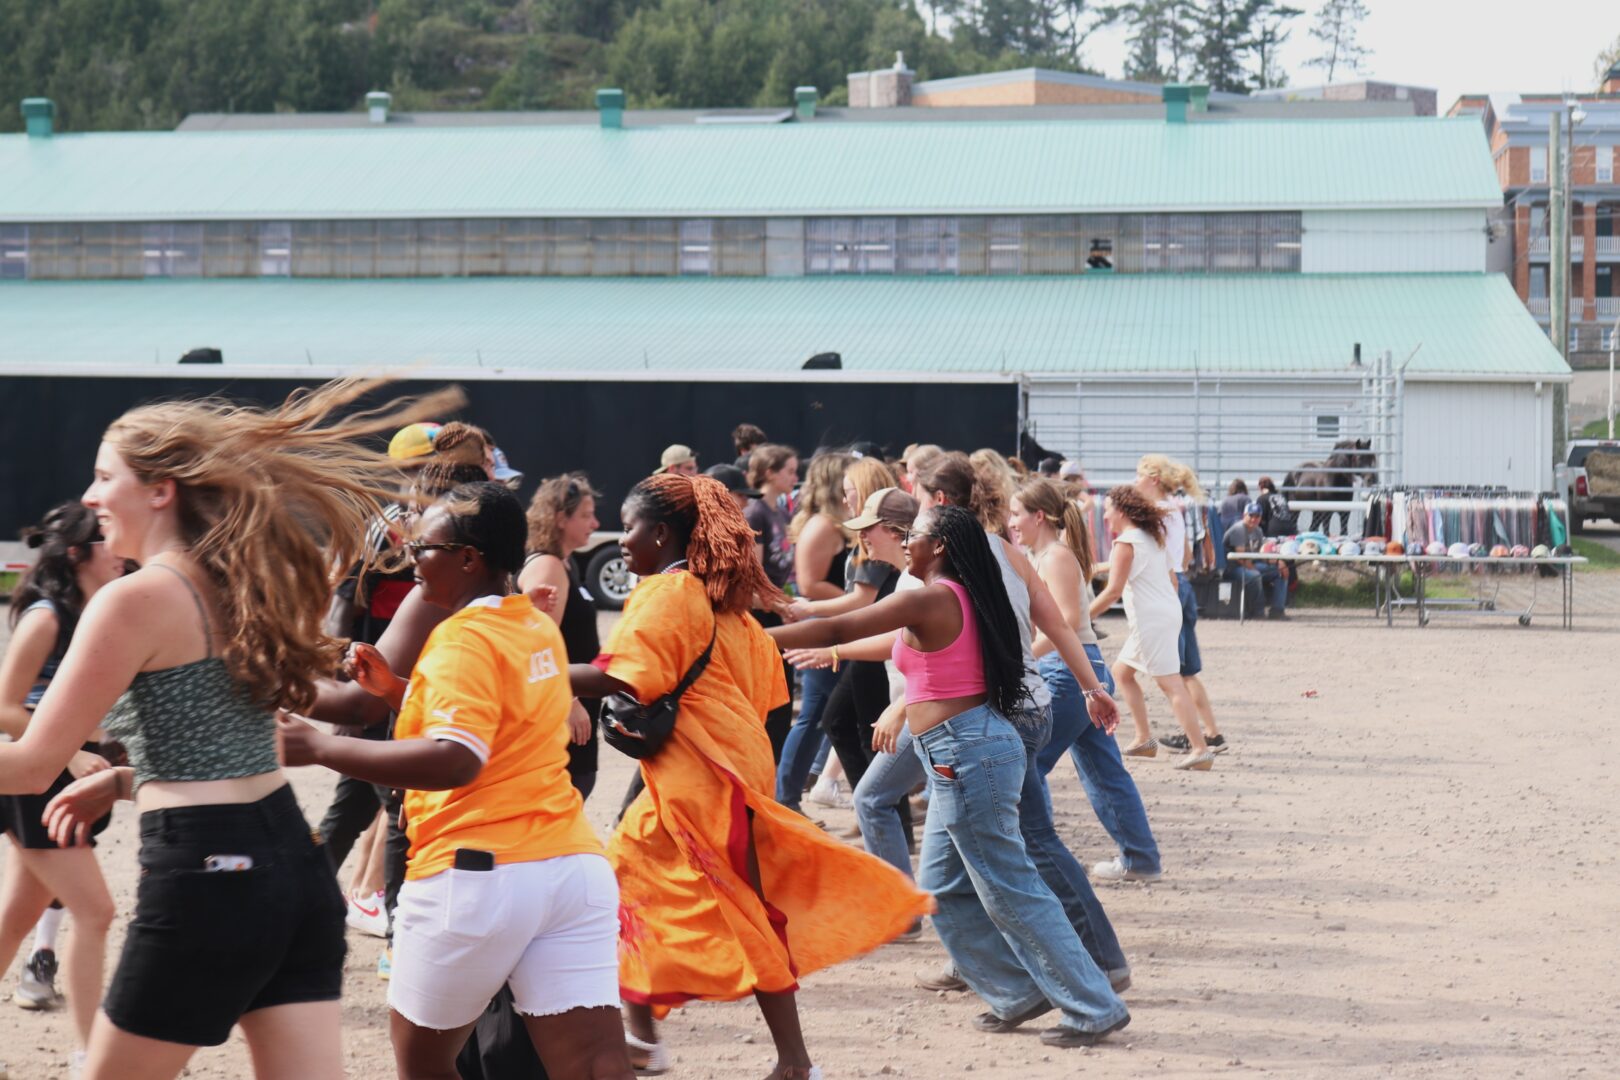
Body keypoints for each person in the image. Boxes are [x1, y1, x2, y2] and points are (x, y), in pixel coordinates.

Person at [10, 377, 460, 1080]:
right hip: (296, 870)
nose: (91, 497)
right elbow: (222, 737)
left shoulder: (133, 599)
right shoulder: (231, 584)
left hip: (209, 875)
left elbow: (35, 765)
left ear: (162, 490)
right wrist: (128, 780)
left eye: (104, 477)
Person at [567, 473, 931, 1080]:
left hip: (706, 777)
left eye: (629, 527)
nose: (621, 540)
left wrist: (529, 671)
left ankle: (794, 1061)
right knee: (630, 882)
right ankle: (644, 1032)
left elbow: (624, 675)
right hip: (720, 764)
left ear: (659, 533)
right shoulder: (714, 600)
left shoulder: (670, 592)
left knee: (741, 908)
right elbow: (761, 685)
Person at [279, 482, 634, 1080]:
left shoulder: (458, 639)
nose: (412, 558)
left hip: (476, 879)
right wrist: (397, 692)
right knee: (597, 1064)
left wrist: (319, 749)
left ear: (468, 558)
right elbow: (502, 715)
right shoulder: (533, 623)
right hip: (571, 870)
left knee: (425, 1065)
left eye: (424, 546)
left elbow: (457, 759)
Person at [768, 505, 1130, 1049]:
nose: (905, 543)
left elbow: (839, 621)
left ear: (938, 547)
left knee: (1011, 886)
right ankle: (1014, 992)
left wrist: (748, 634)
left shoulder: (930, 596)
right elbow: (891, 653)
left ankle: (1092, 1005)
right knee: (942, 886)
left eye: (914, 536)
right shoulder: (964, 596)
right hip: (965, 748)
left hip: (967, 752)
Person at [303, 458, 489, 981]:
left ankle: (387, 932)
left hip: (414, 719)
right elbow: (346, 633)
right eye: (407, 510)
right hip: (392, 702)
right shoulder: (502, 603)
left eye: (417, 514)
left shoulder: (442, 594)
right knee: (367, 813)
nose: (407, 530)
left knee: (390, 819)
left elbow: (366, 703)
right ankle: (359, 922)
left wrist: (283, 686)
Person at [0, 504, 123, 1067]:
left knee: (16, 919)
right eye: (107, 539)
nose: (120, 548)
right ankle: (89, 1057)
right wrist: (71, 752)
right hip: (37, 778)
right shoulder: (46, 616)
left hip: (70, 774)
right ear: (77, 553)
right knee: (95, 912)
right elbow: (5, 708)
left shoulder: (103, 611)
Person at [1009, 479, 1163, 885]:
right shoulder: (1043, 555)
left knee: (1027, 765)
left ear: (1038, 516)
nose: (1011, 522)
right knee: (1103, 769)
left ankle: (1038, 860)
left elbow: (1069, 622)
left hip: (1069, 671)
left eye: (1016, 513)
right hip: (1079, 669)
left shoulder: (1055, 557)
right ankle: (1141, 858)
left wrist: (1020, 656)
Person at [1088, 485, 1214, 770]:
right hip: (1166, 614)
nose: (1105, 515)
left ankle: (1199, 749)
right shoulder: (1151, 537)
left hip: (1151, 621)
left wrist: (1079, 619)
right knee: (1122, 672)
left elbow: (1111, 593)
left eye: (1107, 508)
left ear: (1120, 511)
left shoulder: (1126, 543)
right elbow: (1170, 578)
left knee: (1170, 684)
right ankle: (1144, 739)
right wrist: (1101, 566)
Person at [520, 473, 606, 801]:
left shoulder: (564, 564)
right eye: (585, 515)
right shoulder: (549, 566)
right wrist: (567, 699)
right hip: (559, 713)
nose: (596, 523)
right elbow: (535, 643)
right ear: (560, 518)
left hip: (572, 709)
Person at [774, 452, 853, 812]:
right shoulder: (823, 526)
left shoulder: (833, 523)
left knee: (825, 715)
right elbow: (810, 583)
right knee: (816, 715)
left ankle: (791, 795)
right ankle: (786, 797)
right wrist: (858, 600)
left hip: (833, 623)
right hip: (822, 625)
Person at [1135, 456, 1228, 757]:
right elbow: (1187, 553)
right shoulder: (1176, 509)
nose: (1135, 482)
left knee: (1171, 674)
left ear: (1152, 479)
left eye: (1139, 476)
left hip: (1166, 588)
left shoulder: (1153, 513)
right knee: (1186, 671)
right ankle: (1211, 733)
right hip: (1182, 583)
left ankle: (1192, 738)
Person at [743, 444, 800, 760]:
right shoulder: (756, 513)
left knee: (782, 705)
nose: (795, 477)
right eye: (789, 471)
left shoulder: (779, 510)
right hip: (762, 618)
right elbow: (753, 578)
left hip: (778, 612)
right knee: (770, 706)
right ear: (769, 473)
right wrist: (781, 605)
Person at [1223, 501, 1288, 619]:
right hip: (1232, 568)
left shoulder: (1258, 531)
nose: (1254, 519)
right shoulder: (1238, 529)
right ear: (1244, 515)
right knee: (1255, 575)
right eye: (1251, 515)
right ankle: (1258, 612)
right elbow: (1240, 558)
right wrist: (1258, 570)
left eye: (1257, 516)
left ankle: (1277, 610)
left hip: (1249, 565)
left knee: (1281, 571)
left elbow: (1261, 554)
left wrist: (1279, 562)